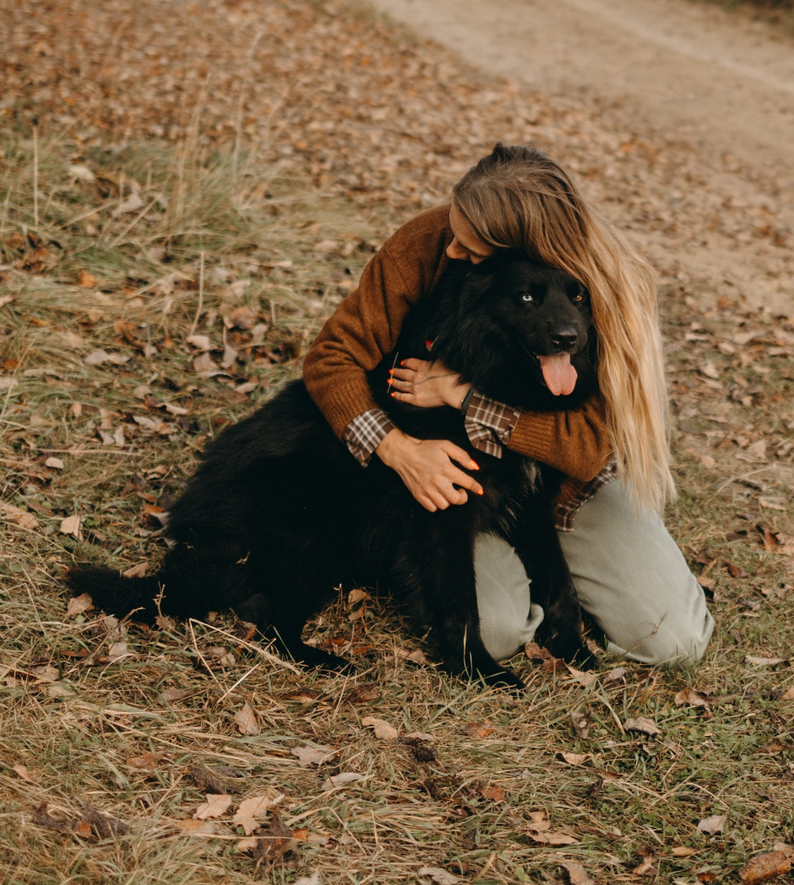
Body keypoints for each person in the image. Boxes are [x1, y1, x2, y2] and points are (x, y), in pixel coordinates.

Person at [299, 143, 713, 667]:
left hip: (573, 487)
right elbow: (332, 356)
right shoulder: (431, 242)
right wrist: (397, 448)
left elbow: (588, 449)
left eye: (470, 246)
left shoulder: (614, 284)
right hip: (480, 488)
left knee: (673, 643)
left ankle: (622, 574)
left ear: (519, 246)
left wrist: (465, 397)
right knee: (495, 633)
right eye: (454, 229)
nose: (452, 251)